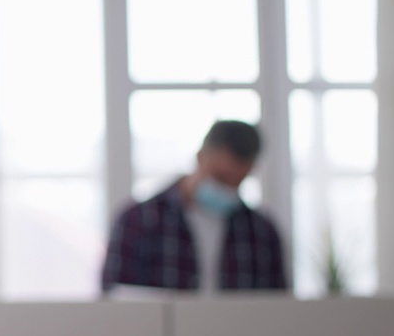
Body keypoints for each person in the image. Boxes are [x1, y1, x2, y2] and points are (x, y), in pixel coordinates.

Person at [101, 119, 287, 293]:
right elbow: (116, 302)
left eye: (237, 181)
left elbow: (276, 309)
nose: (227, 188)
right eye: (221, 177)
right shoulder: (138, 221)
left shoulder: (262, 233)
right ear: (200, 157)